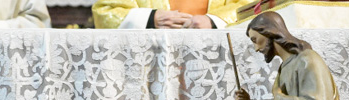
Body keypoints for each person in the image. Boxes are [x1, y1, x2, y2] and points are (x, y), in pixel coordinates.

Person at [92, 0, 255, 29]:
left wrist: (214, 21)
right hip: (154, 63)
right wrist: (150, 18)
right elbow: (105, 11)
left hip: (214, 62)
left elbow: (254, 5)